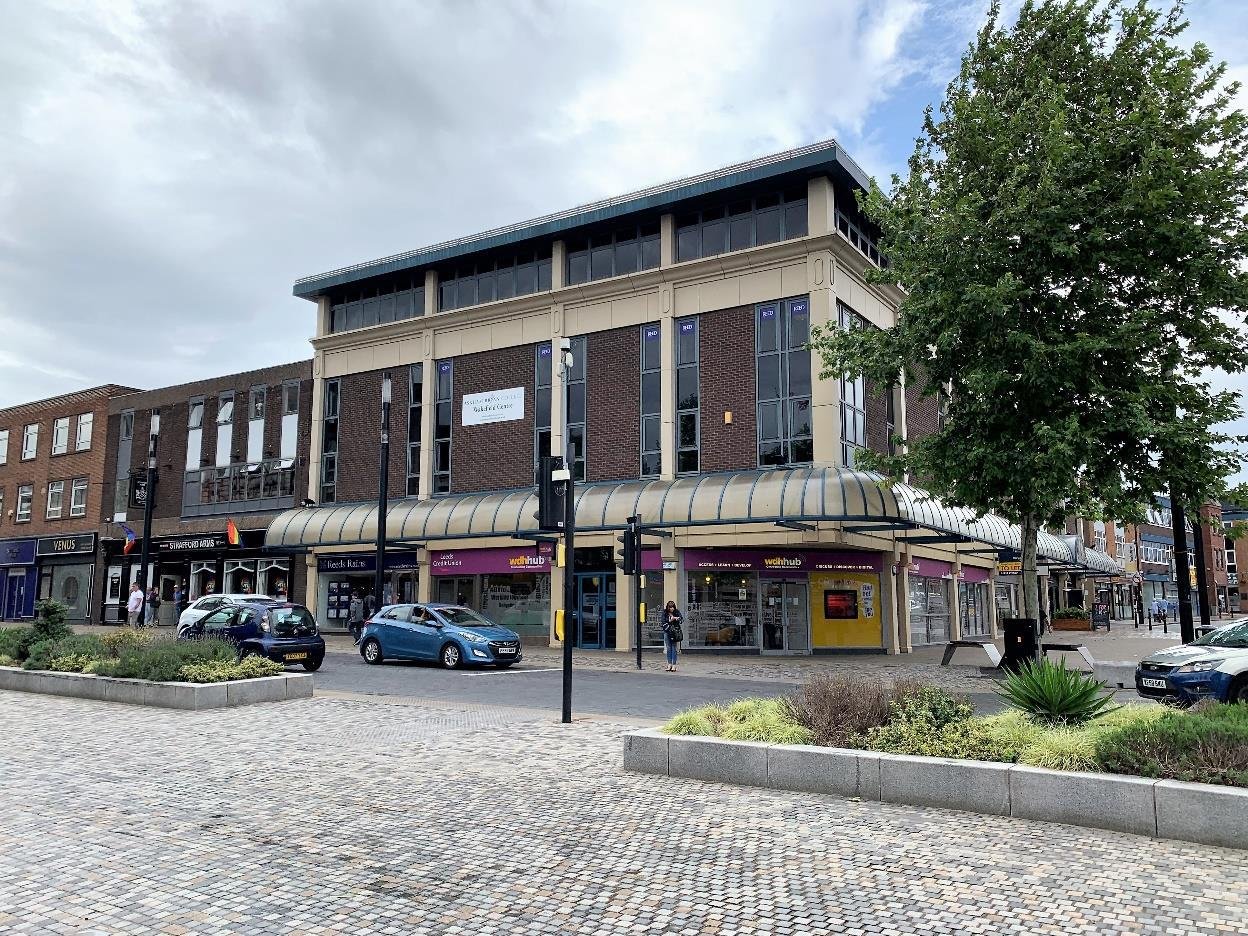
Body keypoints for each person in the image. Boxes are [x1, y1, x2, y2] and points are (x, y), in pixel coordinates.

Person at [661, 600, 684, 672]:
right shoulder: (665, 613)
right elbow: (663, 622)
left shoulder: (676, 612)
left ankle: (674, 665)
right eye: (670, 607)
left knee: (674, 648)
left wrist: (676, 618)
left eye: (673, 607)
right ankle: (669, 664)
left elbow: (682, 619)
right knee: (668, 648)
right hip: (667, 632)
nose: (672, 608)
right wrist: (670, 621)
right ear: (668, 607)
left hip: (674, 632)